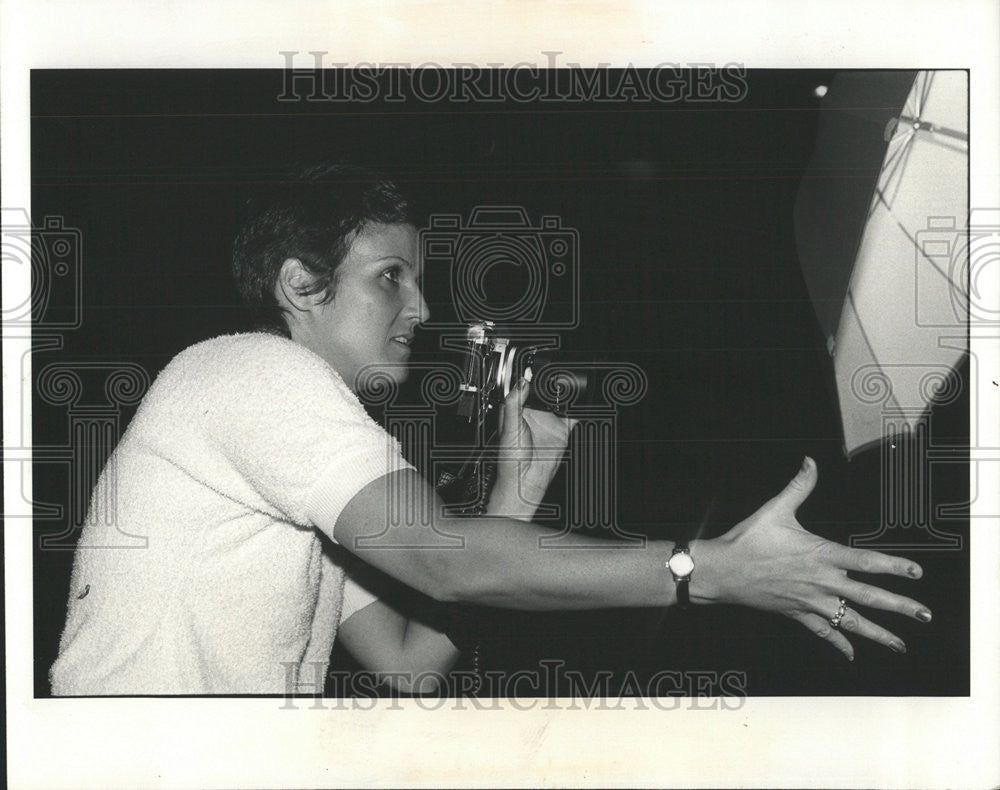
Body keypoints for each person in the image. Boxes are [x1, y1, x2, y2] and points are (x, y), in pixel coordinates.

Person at [50, 163, 932, 696]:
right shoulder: (251, 371)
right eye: (391, 277)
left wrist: (523, 484)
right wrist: (704, 571)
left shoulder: (304, 460)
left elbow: (406, 665)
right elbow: (447, 560)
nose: (422, 309)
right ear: (300, 286)